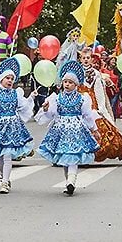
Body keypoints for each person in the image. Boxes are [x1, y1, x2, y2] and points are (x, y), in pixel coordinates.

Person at [36, 60, 100, 196]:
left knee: (73, 155)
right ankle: (68, 182)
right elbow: (52, 114)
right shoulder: (56, 98)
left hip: (76, 129)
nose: (67, 84)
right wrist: (46, 109)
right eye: (65, 82)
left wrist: (94, 130)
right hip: (61, 130)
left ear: (76, 85)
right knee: (65, 157)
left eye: (70, 82)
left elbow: (88, 115)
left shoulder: (83, 98)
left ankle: (71, 181)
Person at [0, 57, 36, 194]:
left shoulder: (16, 93)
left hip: (13, 127)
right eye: (7, 78)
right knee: (0, 156)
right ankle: (3, 176)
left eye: (11, 78)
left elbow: (24, 107)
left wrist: (31, 97)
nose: (10, 81)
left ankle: (5, 182)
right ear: (1, 79)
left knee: (8, 153)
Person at [79, 49, 122, 163]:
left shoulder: (96, 74)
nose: (86, 60)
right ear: (81, 59)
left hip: (92, 104)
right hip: (79, 103)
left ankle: (94, 154)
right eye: (84, 58)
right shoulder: (77, 72)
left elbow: (99, 92)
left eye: (88, 58)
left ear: (91, 59)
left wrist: (100, 107)